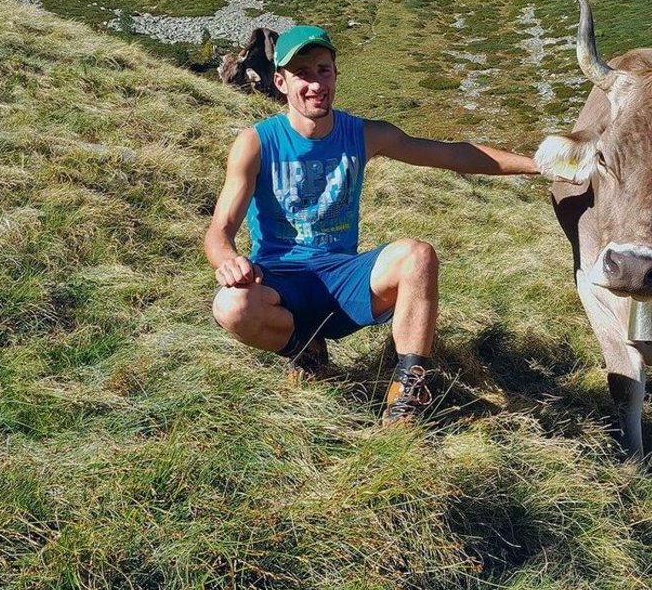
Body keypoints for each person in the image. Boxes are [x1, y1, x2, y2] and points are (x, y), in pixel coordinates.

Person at [206, 24, 537, 424]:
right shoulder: (257, 142)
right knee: (230, 305)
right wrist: (227, 260)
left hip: (343, 278)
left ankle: (408, 395)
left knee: (418, 256)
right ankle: (305, 349)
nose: (315, 84)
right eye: (302, 74)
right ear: (281, 82)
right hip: (280, 281)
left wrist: (539, 166)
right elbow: (219, 230)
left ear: (335, 74)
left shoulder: (363, 135)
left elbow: (454, 155)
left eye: (323, 70)